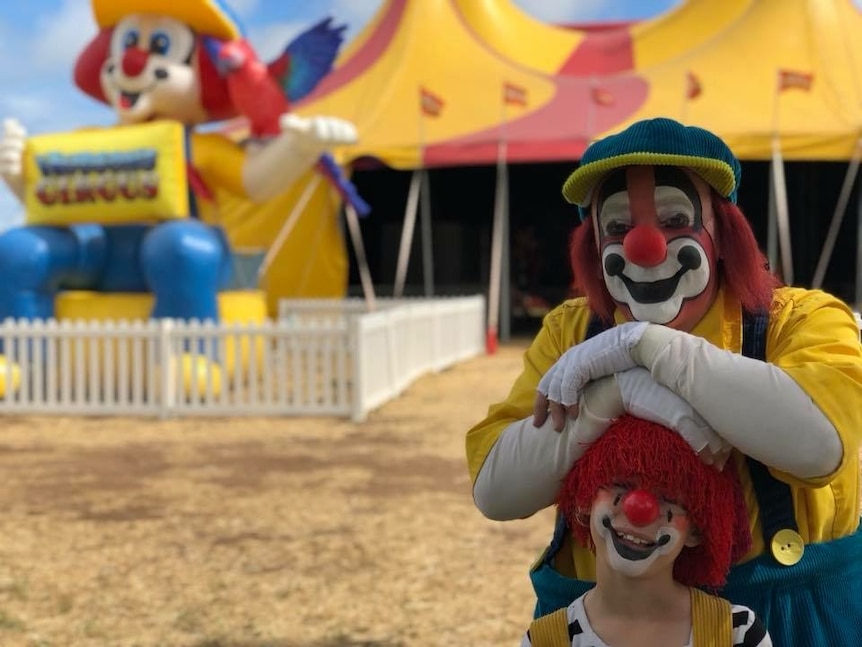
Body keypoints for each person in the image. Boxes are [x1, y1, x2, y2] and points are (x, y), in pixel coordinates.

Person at [466, 118, 862, 645]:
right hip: (609, 625)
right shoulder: (571, 330)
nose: (644, 246)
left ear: (724, 233)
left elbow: (819, 446)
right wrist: (612, 395)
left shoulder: (799, 320)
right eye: (616, 228)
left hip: (790, 613)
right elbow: (497, 490)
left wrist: (645, 347)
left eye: (677, 219)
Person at [521, 415, 771, 647]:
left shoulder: (736, 634)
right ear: (586, 499)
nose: (638, 511)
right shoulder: (545, 641)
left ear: (695, 531)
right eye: (621, 485)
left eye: (667, 499)